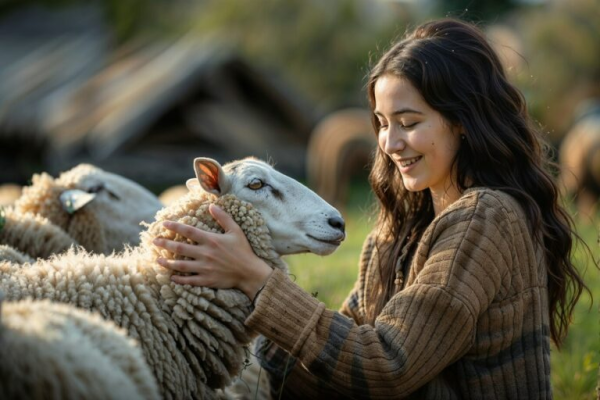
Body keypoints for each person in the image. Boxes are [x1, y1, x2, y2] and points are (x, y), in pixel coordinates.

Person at [153, 18, 589, 399]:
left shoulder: (486, 218)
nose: (390, 143)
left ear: (461, 119)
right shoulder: (399, 228)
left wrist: (255, 278)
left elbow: (387, 366)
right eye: (381, 123)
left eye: (410, 123)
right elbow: (340, 356)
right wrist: (206, 342)